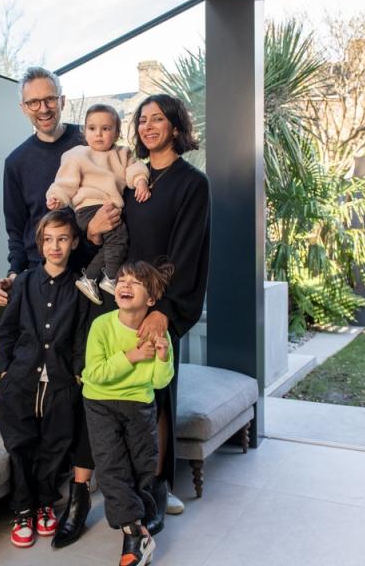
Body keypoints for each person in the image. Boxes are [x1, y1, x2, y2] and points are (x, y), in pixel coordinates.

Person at [0, 67, 121, 549]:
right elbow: (15, 231)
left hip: (89, 278)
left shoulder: (90, 139)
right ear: (23, 108)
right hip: (35, 283)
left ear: (62, 101)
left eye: (50, 99)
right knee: (38, 399)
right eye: (33, 102)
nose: (43, 108)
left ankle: (91, 489)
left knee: (82, 381)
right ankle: (46, 500)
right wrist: (15, 277)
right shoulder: (16, 162)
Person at [121, 94, 210, 534]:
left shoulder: (192, 183)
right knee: (123, 398)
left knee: (156, 400)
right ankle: (128, 486)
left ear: (175, 127)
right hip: (121, 305)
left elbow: (186, 254)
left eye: (158, 119)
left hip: (160, 308)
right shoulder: (130, 179)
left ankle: (157, 489)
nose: (148, 126)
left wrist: (165, 313)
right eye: (142, 120)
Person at [0, 210, 89, 548]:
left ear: (74, 242)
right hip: (20, 380)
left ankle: (45, 504)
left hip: (61, 382)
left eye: (63, 239)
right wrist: (3, 372)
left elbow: (79, 338)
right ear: (40, 243)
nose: (55, 246)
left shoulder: (79, 289)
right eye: (48, 239)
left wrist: (77, 377)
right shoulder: (25, 282)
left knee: (54, 444)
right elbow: (6, 332)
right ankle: (22, 511)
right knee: (20, 445)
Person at [81, 261, 175, 566]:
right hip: (100, 403)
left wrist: (161, 357)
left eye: (134, 283)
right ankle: (135, 537)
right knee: (111, 468)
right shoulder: (102, 325)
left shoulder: (159, 331)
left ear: (150, 299)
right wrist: (132, 356)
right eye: (121, 280)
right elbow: (94, 373)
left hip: (139, 405)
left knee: (142, 467)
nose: (124, 285)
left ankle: (136, 528)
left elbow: (161, 381)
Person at [46, 104, 150, 305]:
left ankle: (90, 278)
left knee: (114, 242)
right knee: (119, 238)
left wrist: (140, 181)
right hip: (88, 207)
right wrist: (57, 197)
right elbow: (66, 182)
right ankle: (111, 277)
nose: (99, 134)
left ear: (117, 132)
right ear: (85, 132)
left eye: (106, 128)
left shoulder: (122, 154)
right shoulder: (78, 155)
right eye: (92, 128)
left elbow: (135, 170)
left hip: (110, 208)